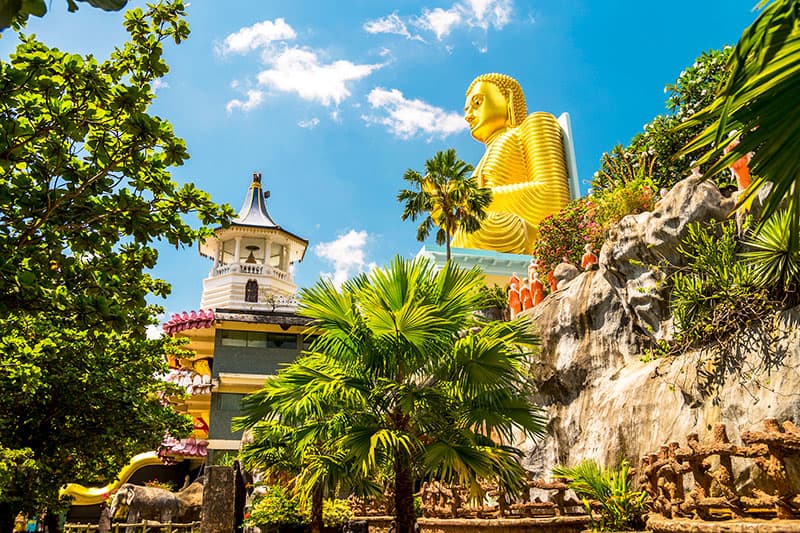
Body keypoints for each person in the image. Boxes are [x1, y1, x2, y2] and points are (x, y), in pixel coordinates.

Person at [452, 73, 571, 254]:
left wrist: (472, 197)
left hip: (530, 233)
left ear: (507, 97)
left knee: (478, 228)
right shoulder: (480, 163)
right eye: (466, 110)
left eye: (477, 103)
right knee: (472, 229)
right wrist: (442, 210)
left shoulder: (534, 124)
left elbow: (553, 196)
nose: (468, 116)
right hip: (492, 231)